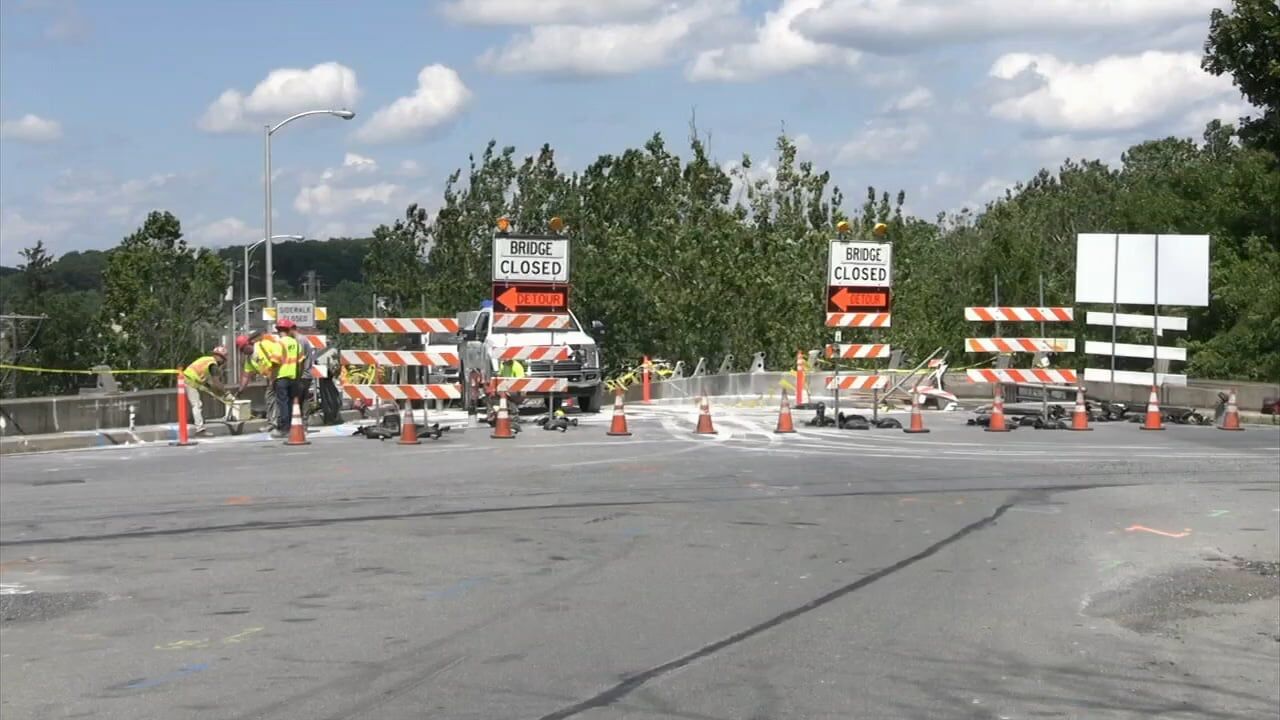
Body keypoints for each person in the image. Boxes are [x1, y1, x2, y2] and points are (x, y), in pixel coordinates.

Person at [236, 333, 284, 433]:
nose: (244, 352)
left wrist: (274, 376)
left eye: (244, 348)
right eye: (241, 350)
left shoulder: (264, 345)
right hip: (271, 379)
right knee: (271, 399)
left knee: (276, 399)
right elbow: (246, 375)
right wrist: (240, 390)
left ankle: (277, 423)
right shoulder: (249, 360)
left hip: (281, 375)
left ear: (249, 343)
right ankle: (275, 423)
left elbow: (279, 357)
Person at [183, 346, 231, 435]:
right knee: (197, 404)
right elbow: (217, 383)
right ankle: (200, 429)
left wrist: (212, 389)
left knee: (195, 403)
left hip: (191, 378)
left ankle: (193, 419)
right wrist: (226, 393)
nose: (223, 361)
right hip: (190, 380)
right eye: (223, 359)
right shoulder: (213, 365)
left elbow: (206, 379)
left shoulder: (207, 359)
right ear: (219, 357)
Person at [273, 319, 303, 435]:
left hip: (282, 377)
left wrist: (272, 378)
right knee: (291, 403)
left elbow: (275, 363)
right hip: (294, 377)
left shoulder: (279, 343)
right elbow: (300, 362)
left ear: (279, 330)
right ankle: (293, 426)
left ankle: (284, 428)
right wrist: (298, 377)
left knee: (283, 403)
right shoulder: (296, 343)